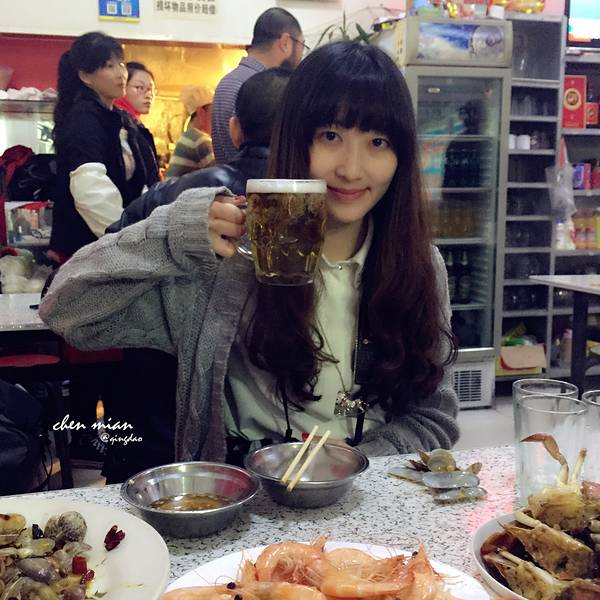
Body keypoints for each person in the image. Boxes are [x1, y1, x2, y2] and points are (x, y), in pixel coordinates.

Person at [40, 42, 459, 468]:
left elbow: (433, 416)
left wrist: (351, 468)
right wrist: (173, 235)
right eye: (330, 136)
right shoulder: (227, 260)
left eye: (378, 141)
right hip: (242, 492)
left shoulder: (418, 268)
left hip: (370, 490)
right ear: (292, 138)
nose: (351, 169)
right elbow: (66, 311)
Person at [100, 67, 291, 483]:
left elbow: (97, 271)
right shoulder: (314, 216)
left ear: (235, 131)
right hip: (259, 452)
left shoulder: (169, 195)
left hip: (149, 429)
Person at [108, 67, 290, 232]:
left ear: (234, 130)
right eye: (140, 87)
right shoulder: (199, 139)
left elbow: (113, 239)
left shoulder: (179, 191)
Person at [49, 31, 160, 260]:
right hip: (87, 249)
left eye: (121, 64)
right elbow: (90, 187)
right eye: (109, 66)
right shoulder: (84, 117)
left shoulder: (118, 118)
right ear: (85, 76)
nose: (121, 73)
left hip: (109, 244)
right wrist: (126, 237)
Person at [211, 7, 304, 164]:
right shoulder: (261, 89)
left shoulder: (227, 82)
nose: (301, 55)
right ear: (285, 42)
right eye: (302, 45)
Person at [114, 61, 160, 170]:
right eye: (140, 87)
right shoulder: (117, 122)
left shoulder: (134, 123)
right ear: (122, 87)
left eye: (152, 90)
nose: (149, 95)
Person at [166, 84, 215, 178]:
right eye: (213, 112)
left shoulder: (189, 136)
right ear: (201, 112)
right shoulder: (200, 139)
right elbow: (221, 176)